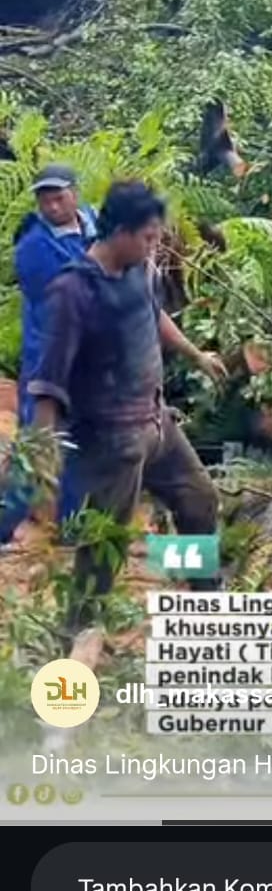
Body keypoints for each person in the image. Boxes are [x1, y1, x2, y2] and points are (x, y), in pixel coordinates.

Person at [27, 180, 228, 667]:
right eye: (148, 238)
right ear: (118, 231)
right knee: (104, 550)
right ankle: (72, 640)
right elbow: (48, 380)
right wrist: (45, 453)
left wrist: (196, 354)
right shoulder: (73, 291)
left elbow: (152, 316)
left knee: (200, 500)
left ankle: (204, 600)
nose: (154, 246)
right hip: (110, 441)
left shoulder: (140, 268)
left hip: (157, 423)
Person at [1, 165, 98, 544]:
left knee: (81, 447)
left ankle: (72, 531)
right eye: (45, 200)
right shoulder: (34, 248)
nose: (52, 206)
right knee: (37, 452)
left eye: (59, 197)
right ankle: (4, 526)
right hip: (49, 366)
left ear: (76, 193)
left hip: (87, 366)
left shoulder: (94, 225)